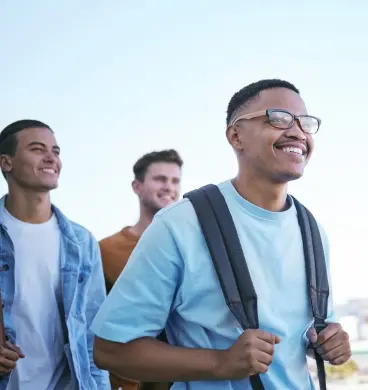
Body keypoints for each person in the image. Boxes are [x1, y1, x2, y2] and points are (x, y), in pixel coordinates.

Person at [91, 79, 351, 389]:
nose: (297, 132)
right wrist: (220, 363)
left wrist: (327, 341)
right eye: (279, 118)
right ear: (236, 135)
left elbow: (307, 331)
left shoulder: (312, 230)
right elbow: (110, 350)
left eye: (305, 123)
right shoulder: (181, 224)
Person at [0, 120, 110, 390]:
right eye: (37, 149)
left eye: (56, 151)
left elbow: (92, 337)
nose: (51, 158)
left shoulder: (82, 242)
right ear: (6, 162)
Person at [99, 149, 183, 390]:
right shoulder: (106, 250)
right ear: (137, 186)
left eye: (175, 180)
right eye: (160, 179)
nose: (169, 187)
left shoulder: (191, 247)